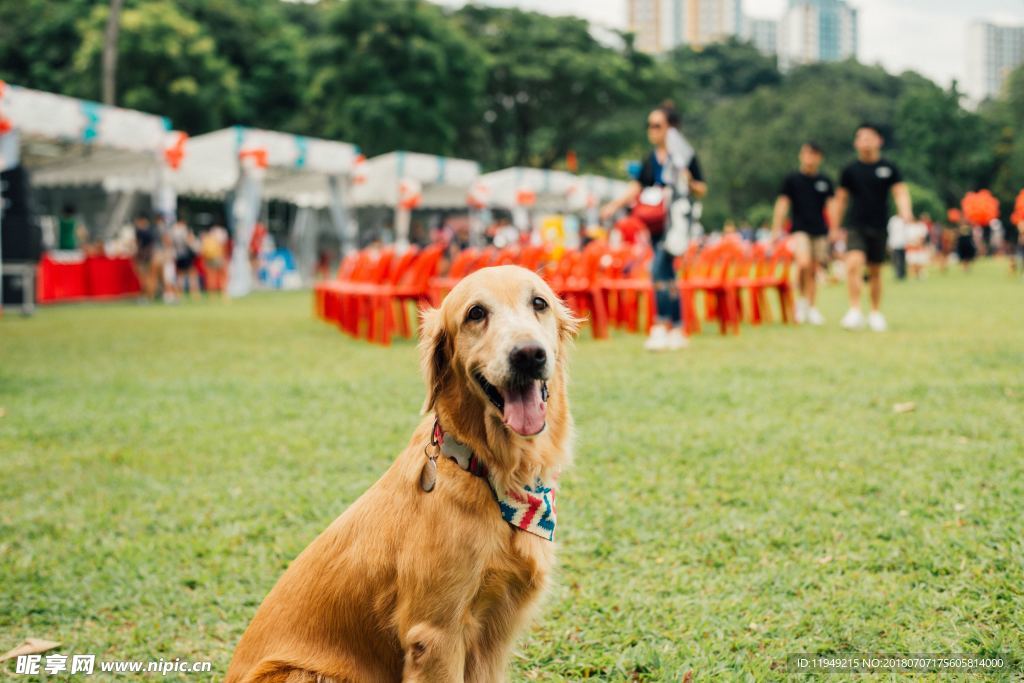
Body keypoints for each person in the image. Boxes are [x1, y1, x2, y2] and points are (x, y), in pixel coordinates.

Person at [600, 102, 707, 351]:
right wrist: (614, 205)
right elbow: (637, 185)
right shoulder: (651, 158)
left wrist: (687, 180)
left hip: (677, 223)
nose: (652, 130)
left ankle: (661, 324)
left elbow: (702, 188)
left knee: (658, 269)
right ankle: (677, 327)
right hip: (657, 223)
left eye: (657, 125)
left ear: (670, 128)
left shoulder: (684, 156)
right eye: (649, 126)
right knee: (667, 275)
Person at [829, 123, 913, 332]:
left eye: (869, 138)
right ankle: (855, 310)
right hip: (856, 225)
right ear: (856, 143)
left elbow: (900, 192)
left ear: (878, 141)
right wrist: (834, 226)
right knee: (853, 264)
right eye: (861, 138)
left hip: (879, 225)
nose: (865, 142)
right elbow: (840, 200)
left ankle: (875, 312)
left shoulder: (889, 168)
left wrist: (906, 211)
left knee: (875, 271)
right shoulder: (850, 171)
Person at [770, 142, 834, 325]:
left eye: (813, 154)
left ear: (819, 157)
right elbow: (782, 204)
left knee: (814, 269)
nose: (809, 158)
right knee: (803, 263)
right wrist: (776, 228)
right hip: (799, 229)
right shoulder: (792, 180)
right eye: (806, 153)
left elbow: (831, 206)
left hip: (820, 229)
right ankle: (801, 302)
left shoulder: (824, 181)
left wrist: (834, 229)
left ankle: (812, 307)